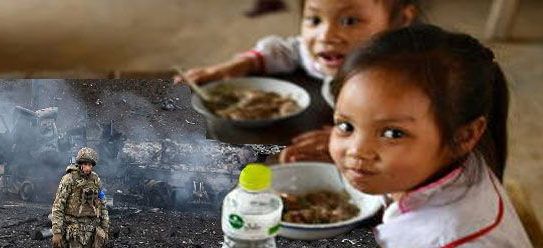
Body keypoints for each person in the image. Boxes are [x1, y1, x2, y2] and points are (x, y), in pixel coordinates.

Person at [273, 24, 534, 248]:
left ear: (466, 135)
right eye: (346, 125)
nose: (357, 152)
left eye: (393, 133)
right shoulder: (439, 160)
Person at [180, 0, 420, 163]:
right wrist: (241, 65)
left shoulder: (405, 80)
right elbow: (292, 50)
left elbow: (414, 141)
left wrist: (346, 143)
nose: (326, 36)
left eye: (349, 21)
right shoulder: (330, 55)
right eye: (314, 20)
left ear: (400, 21)